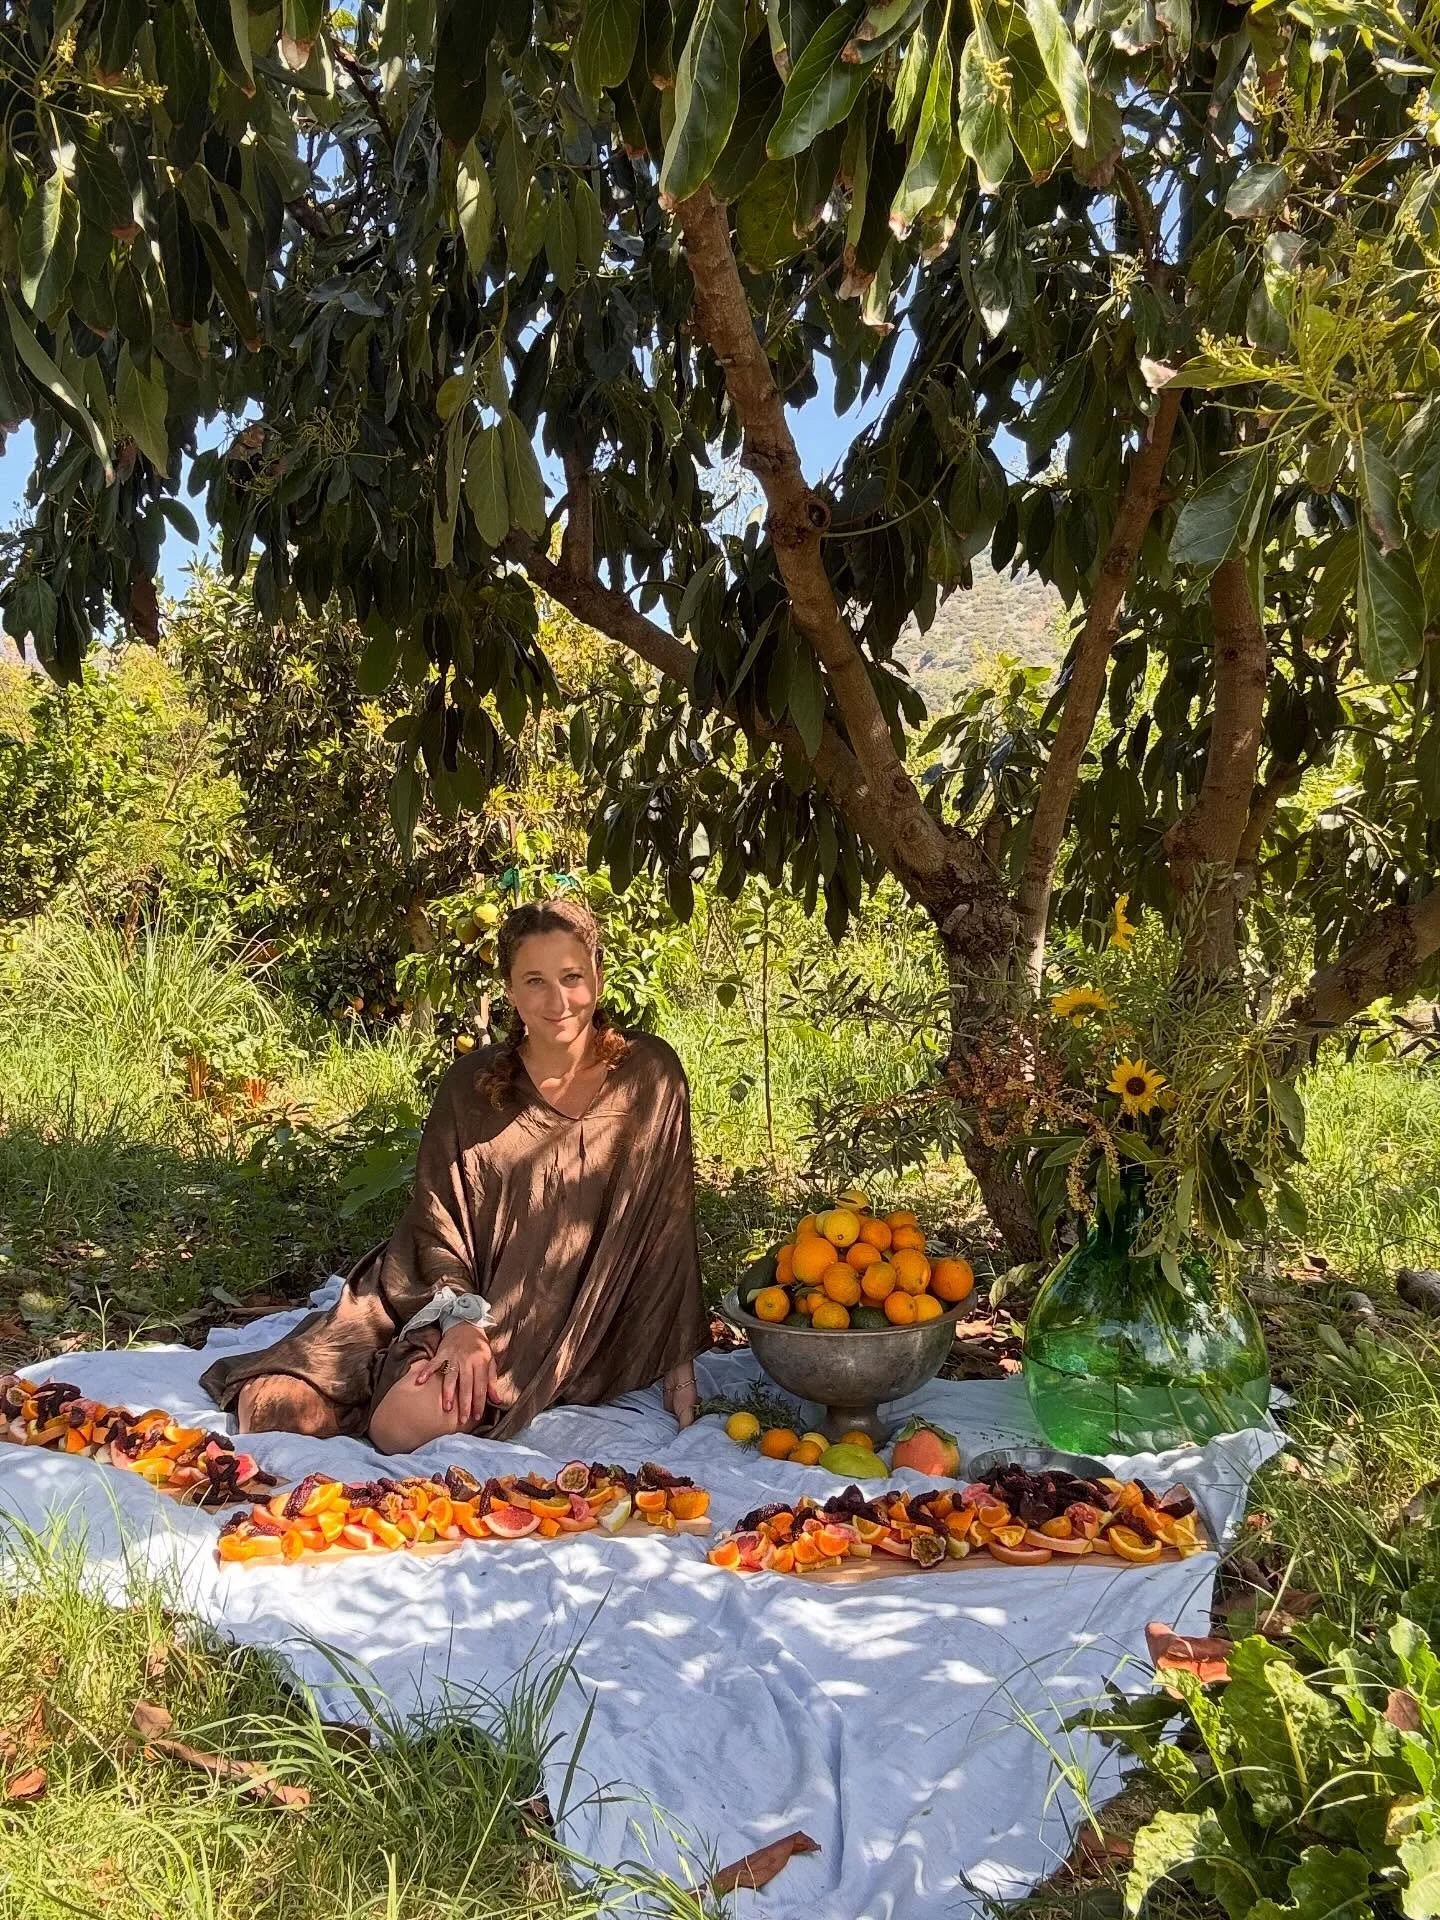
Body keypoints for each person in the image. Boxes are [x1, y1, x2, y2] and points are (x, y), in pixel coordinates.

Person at [201, 895, 708, 1451]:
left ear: (599, 977)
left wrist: (675, 1361)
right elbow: (435, 1223)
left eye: (572, 977)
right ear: (510, 992)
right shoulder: (471, 1084)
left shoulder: (650, 1074)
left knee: (398, 1428)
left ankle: (375, 1381)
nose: (558, 1001)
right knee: (301, 1411)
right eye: (534, 981)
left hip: (585, 1317)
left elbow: (667, 1229)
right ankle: (372, 1361)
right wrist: (461, 1323)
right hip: (464, 1295)